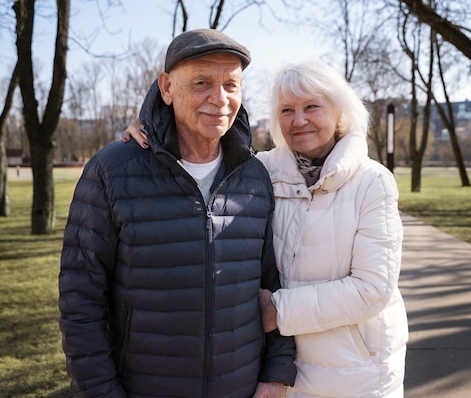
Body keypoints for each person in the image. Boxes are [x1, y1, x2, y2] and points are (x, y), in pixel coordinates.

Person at [124, 59, 408, 398]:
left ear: (339, 112)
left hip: (354, 375)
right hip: (277, 375)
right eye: (287, 110)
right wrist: (153, 125)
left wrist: (277, 310)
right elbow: (195, 144)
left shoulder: (373, 182)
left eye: (312, 107)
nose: (298, 120)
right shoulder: (260, 171)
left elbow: (372, 289)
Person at [59, 29, 297, 398]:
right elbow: (80, 302)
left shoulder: (255, 176)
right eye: (202, 82)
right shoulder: (112, 171)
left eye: (231, 85)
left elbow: (273, 285)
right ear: (167, 88)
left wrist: (276, 374)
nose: (220, 99)